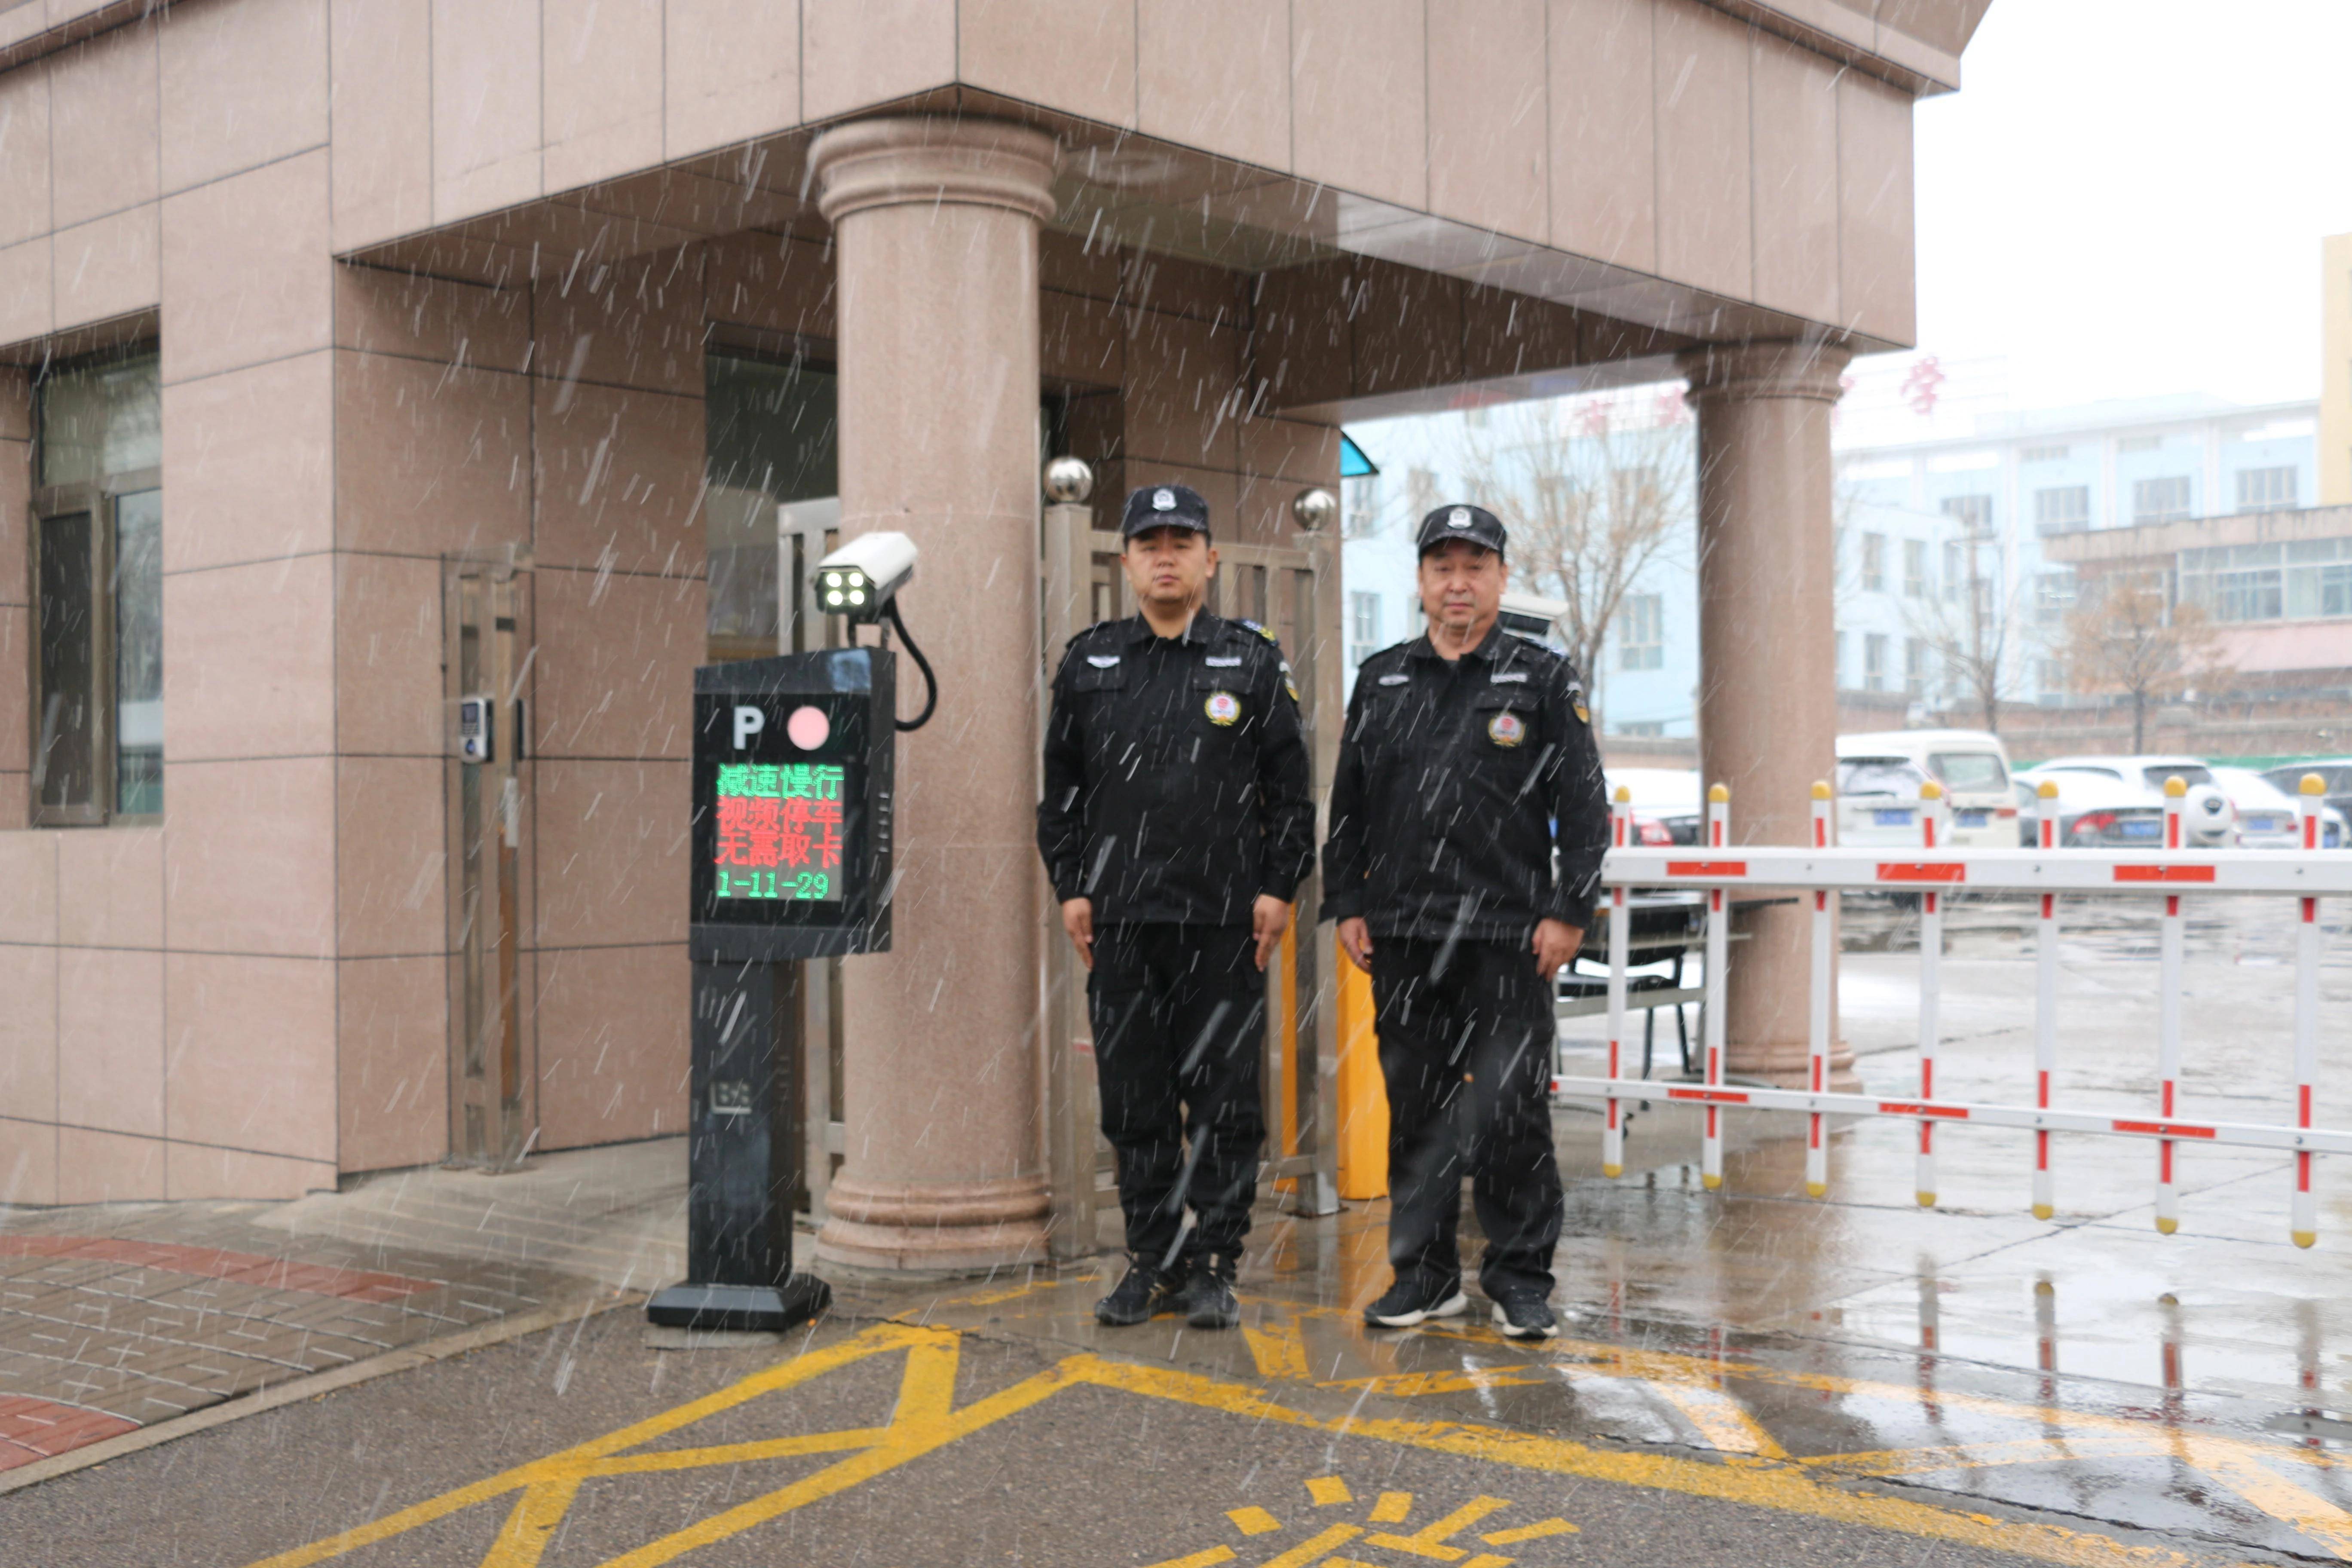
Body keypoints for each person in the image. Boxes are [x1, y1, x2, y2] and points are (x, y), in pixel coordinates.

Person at [1323, 502, 1609, 1339]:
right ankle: (1425, 1275)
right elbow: (1351, 806)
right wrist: (1349, 902)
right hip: (1405, 935)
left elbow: (1584, 805)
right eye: (1443, 567)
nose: (1458, 582)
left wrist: (1570, 910)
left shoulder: (1542, 678)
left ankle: (1520, 1278)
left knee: (1514, 1109)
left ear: (1501, 578)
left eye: (1474, 566)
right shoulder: (1382, 678)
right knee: (1418, 1111)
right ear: (1420, 581)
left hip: (1508, 936)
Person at [1038, 482, 1316, 1329]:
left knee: (1226, 1103)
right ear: (1125, 561)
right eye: (1149, 542)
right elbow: (1062, 792)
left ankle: (1214, 1265)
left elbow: (1291, 792)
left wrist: (1278, 886)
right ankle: (1150, 1262)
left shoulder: (1251, 660)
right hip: (1121, 924)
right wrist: (1073, 885)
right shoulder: (1090, 662)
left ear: (1210, 559)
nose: (1165, 555)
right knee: (1137, 1102)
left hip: (1225, 925)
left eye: (1181, 541)